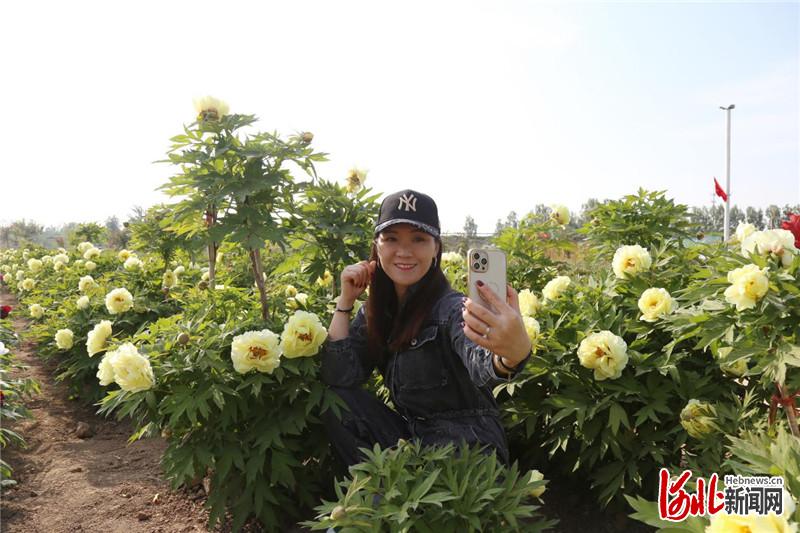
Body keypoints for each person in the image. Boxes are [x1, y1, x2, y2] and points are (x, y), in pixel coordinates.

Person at [320, 189, 532, 469]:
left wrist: (509, 356)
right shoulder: (377, 313)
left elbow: (482, 362)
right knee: (337, 403)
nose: (404, 251)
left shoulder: (451, 308)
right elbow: (339, 376)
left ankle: (386, 499)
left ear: (435, 249)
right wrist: (345, 301)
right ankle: (372, 494)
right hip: (413, 441)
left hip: (466, 451)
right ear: (377, 246)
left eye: (419, 239)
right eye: (392, 239)